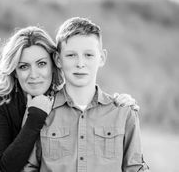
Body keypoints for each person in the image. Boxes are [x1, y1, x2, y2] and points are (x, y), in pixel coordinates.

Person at [0, 26, 140, 172]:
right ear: (14, 70)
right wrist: (35, 117)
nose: (34, 75)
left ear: (54, 63)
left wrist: (119, 102)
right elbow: (5, 168)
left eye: (41, 64)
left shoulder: (56, 99)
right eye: (23, 66)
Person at [22, 17, 149, 172]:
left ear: (101, 58)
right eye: (71, 55)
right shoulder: (40, 112)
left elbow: (135, 168)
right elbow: (28, 168)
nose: (80, 63)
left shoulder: (124, 112)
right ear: (58, 59)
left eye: (88, 55)